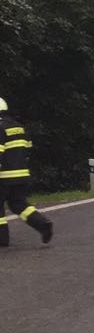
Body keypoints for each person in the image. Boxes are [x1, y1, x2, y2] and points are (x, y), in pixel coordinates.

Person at [0, 96, 53, 248]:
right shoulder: (19, 127)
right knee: (19, 204)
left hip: (4, 176)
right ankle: (43, 225)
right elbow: (28, 149)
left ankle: (2, 239)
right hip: (22, 175)